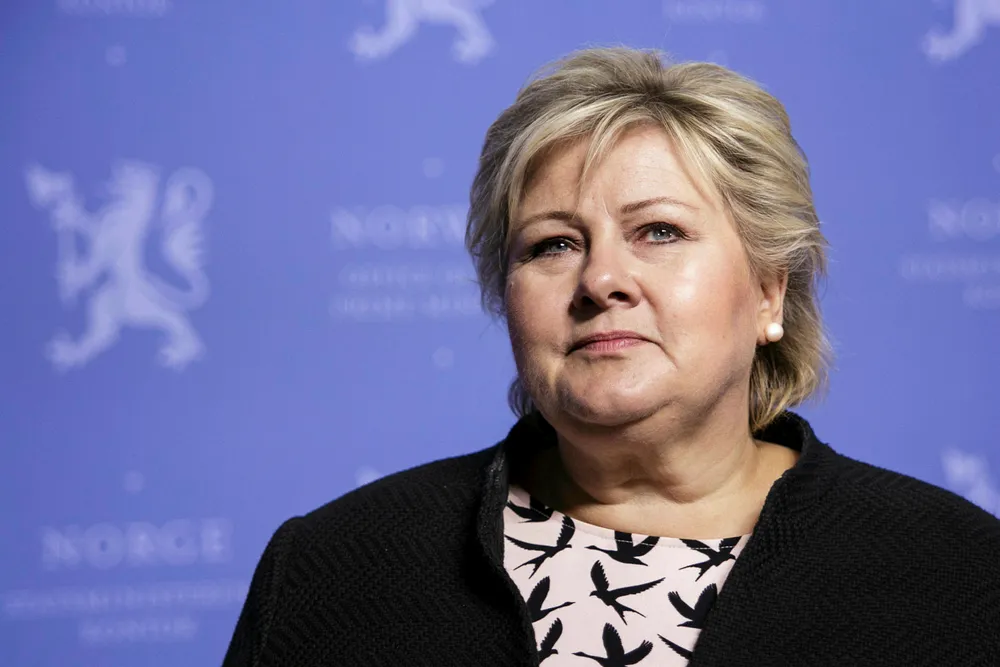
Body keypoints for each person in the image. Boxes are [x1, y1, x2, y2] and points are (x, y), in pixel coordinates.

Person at [222, 47, 1000, 666]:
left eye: (659, 231)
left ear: (769, 291)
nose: (600, 280)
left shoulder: (961, 575)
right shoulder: (332, 567)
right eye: (553, 244)